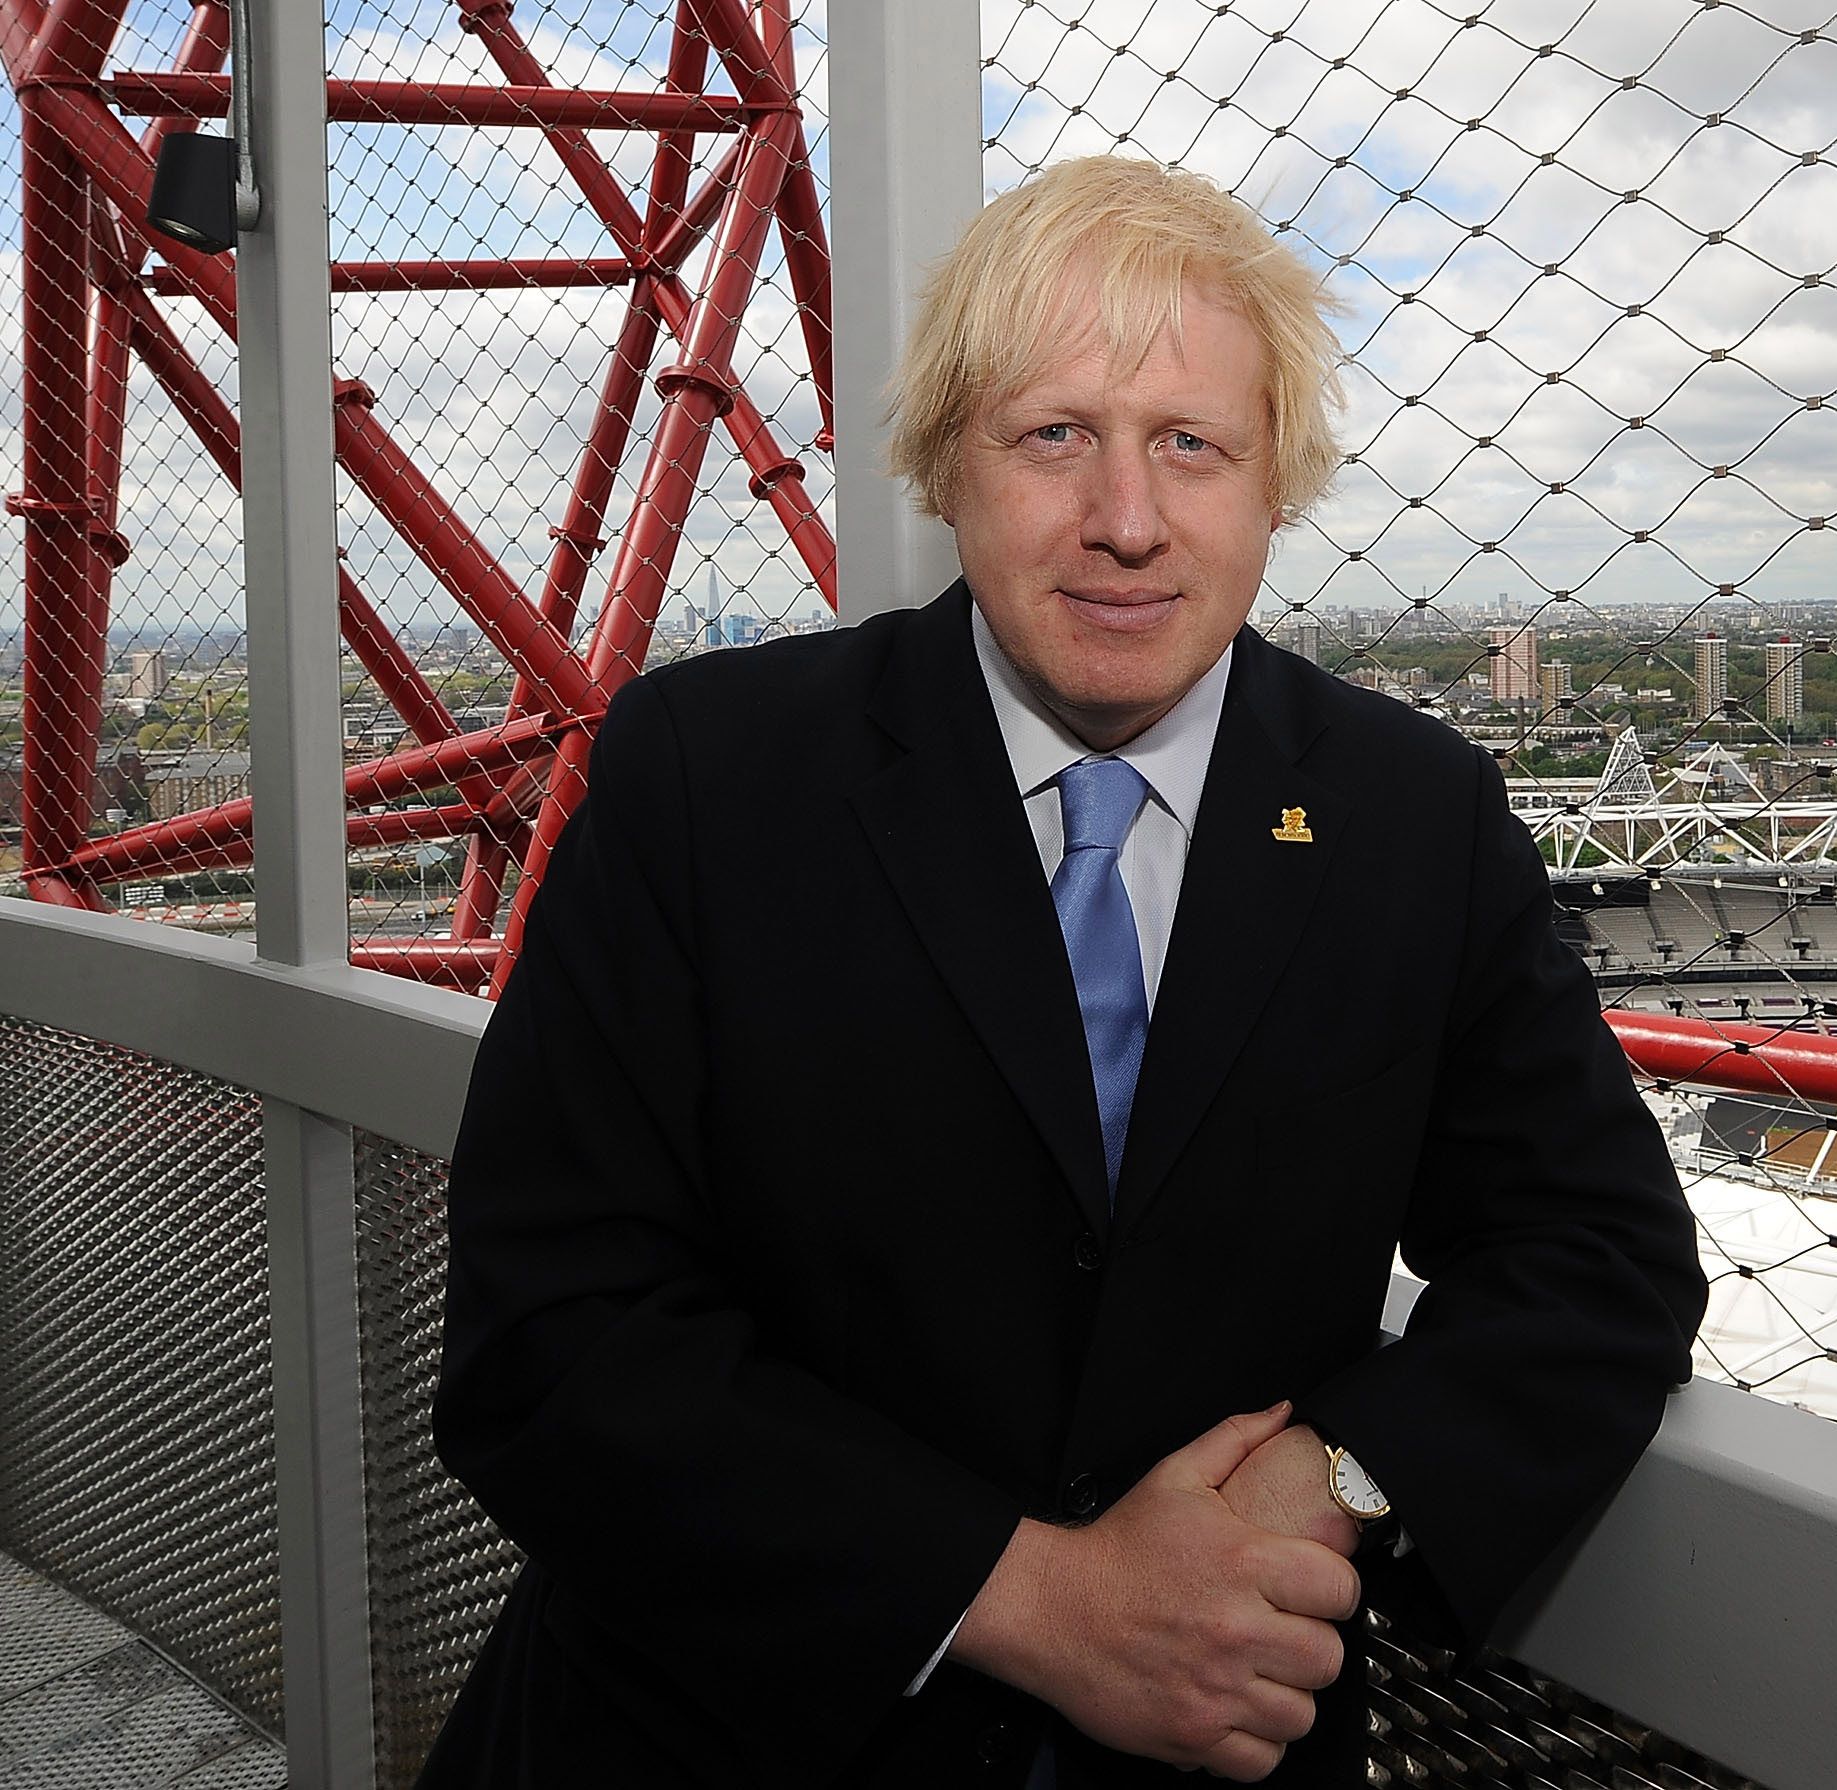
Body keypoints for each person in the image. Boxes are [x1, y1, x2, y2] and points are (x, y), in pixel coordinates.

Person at [419, 155, 1708, 1788]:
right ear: (945, 463)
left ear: (1277, 482)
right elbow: (550, 1331)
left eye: (1193, 444)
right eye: (1053, 436)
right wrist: (1034, 1600)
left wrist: (1340, 1477)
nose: (1127, 520)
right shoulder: (708, 778)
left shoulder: (1415, 818)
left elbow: (1599, 1251)